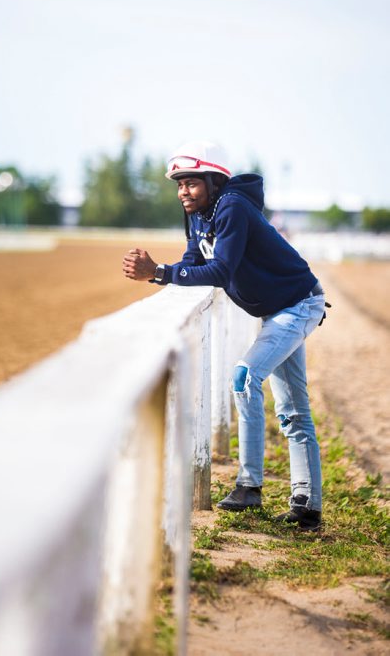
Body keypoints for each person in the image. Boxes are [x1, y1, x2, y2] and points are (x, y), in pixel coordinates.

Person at [122, 140, 328, 531]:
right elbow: (192, 261)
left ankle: (249, 486)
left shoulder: (231, 207)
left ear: (214, 182)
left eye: (192, 183)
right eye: (179, 184)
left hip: (299, 304)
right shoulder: (199, 215)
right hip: (276, 310)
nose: (184, 191)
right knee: (291, 409)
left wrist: (158, 271)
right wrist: (165, 274)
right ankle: (308, 507)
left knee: (243, 377)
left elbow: (221, 271)